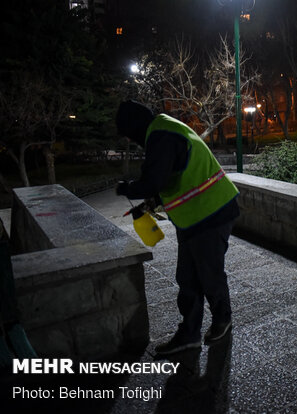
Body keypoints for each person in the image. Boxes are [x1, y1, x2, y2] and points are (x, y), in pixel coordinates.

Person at [115, 100, 239, 355]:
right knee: (187, 277)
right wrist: (151, 204)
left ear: (134, 127)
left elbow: (153, 181)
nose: (130, 141)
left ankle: (222, 320)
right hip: (195, 216)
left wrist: (127, 188)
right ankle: (190, 334)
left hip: (212, 212)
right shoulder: (163, 129)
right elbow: (173, 177)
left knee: (209, 274)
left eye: (128, 135)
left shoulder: (161, 136)